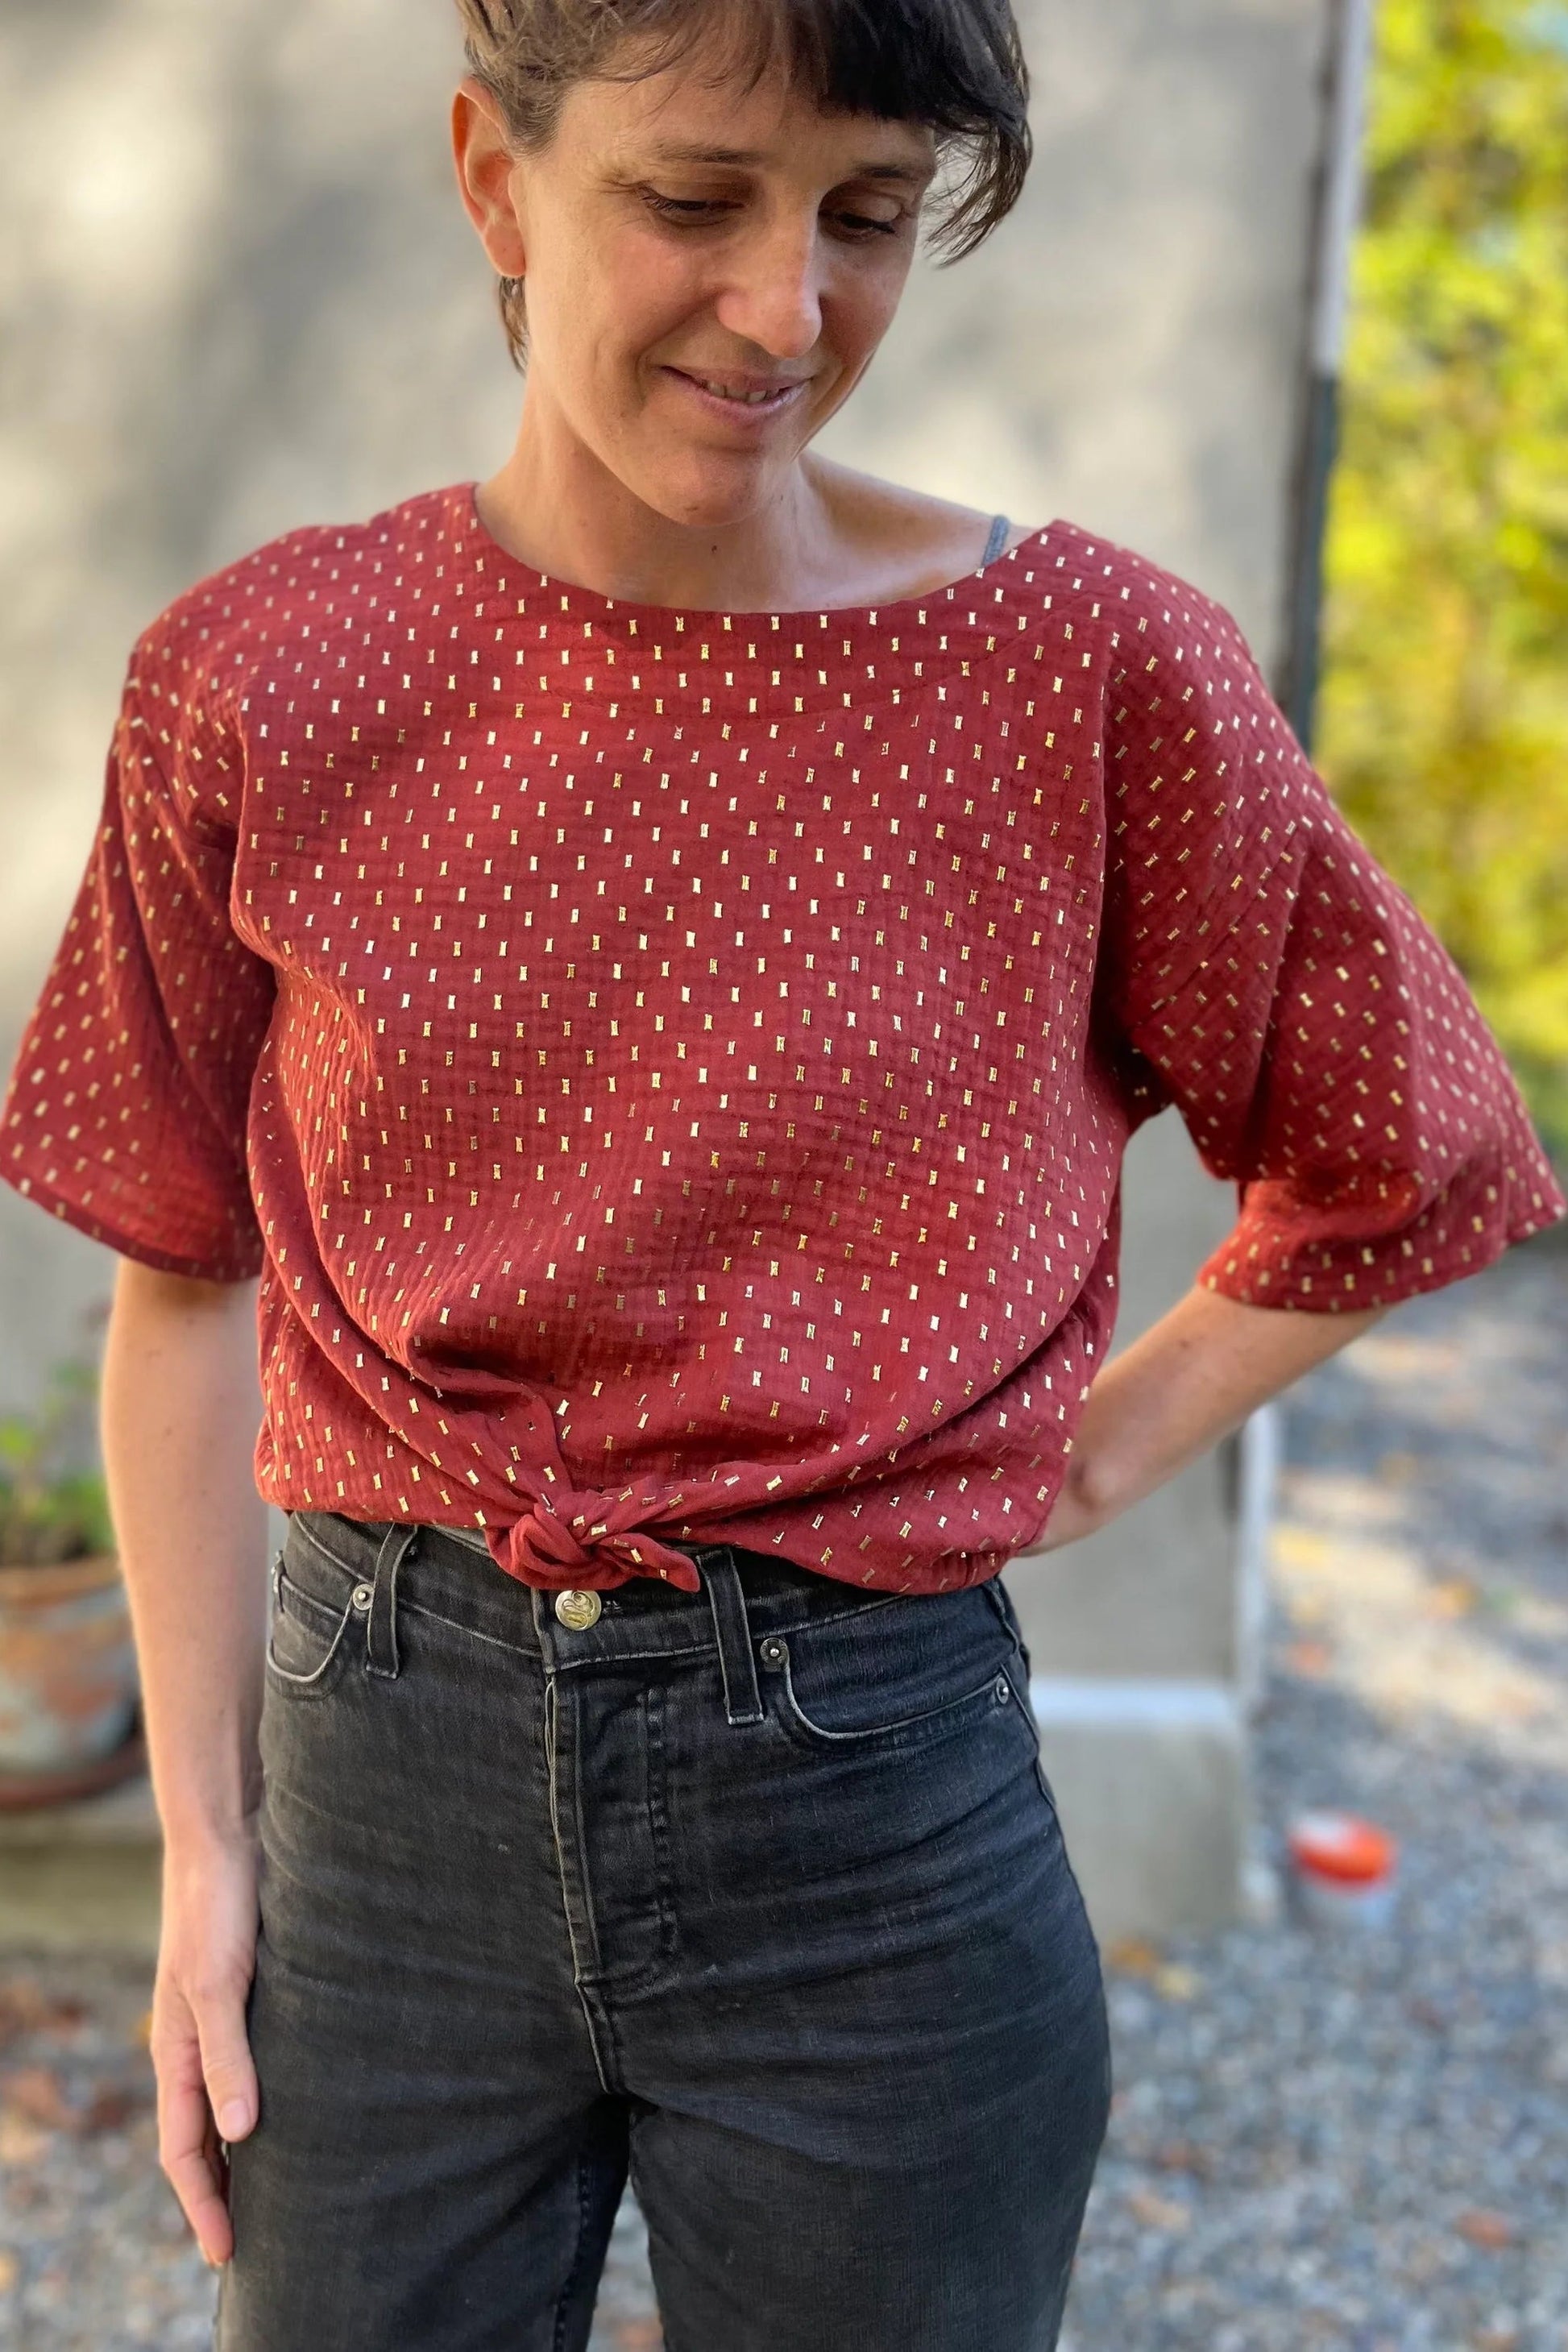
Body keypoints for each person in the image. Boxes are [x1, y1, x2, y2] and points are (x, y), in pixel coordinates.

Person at [1, 1, 1561, 2345]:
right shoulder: (262, 679)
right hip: (379, 1800)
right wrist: (210, 1848)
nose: (784, 308)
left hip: (874, 1830)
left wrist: (1081, 1462)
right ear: (492, 176)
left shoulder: (1085, 670)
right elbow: (183, 1281)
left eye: (864, 215)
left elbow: (1411, 1154)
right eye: (691, 198)